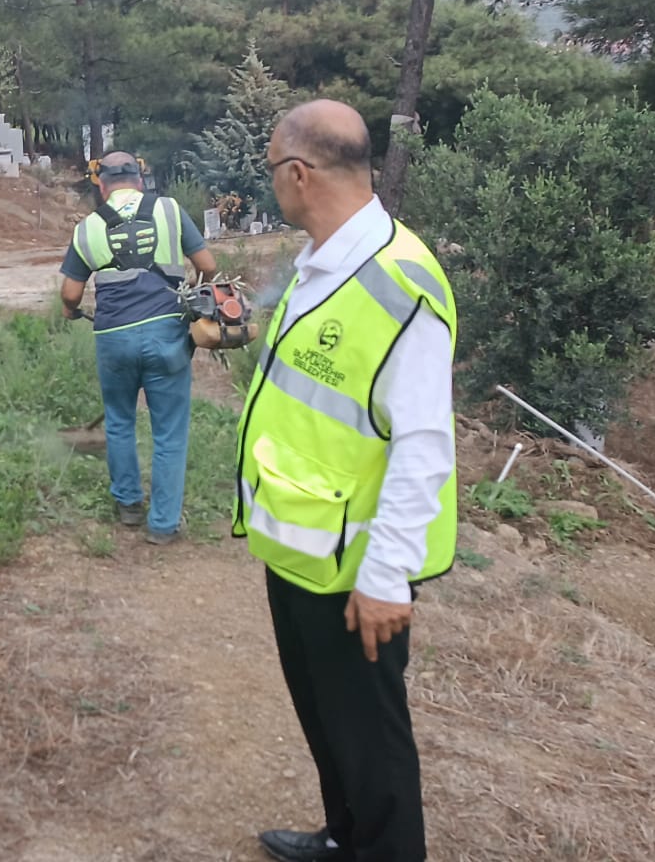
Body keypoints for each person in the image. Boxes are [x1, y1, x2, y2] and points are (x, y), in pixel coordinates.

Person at [233, 101, 457, 861]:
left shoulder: (400, 283)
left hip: (357, 568)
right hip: (301, 546)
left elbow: (423, 445)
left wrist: (386, 576)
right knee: (327, 721)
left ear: (299, 174)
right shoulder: (320, 261)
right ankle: (343, 837)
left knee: (372, 740)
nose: (273, 186)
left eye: (271, 170)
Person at [59, 152, 219, 544]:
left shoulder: (87, 228)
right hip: (167, 333)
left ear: (101, 184)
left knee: (118, 420)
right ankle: (163, 525)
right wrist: (193, 295)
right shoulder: (169, 210)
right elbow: (209, 265)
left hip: (113, 338)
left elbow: (70, 292)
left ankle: (128, 504)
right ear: (141, 177)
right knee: (168, 431)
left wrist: (71, 310)